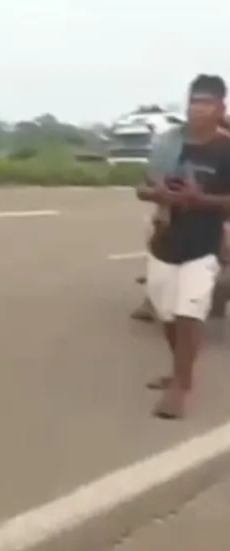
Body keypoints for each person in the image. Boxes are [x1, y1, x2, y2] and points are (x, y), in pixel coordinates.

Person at [136, 74, 230, 419]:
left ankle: (181, 386)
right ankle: (179, 369)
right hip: (164, 241)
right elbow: (142, 188)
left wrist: (199, 199)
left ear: (220, 107)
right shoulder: (169, 143)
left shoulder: (226, 150)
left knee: (189, 314)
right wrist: (157, 194)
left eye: (206, 103)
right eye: (194, 101)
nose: (197, 109)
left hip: (203, 245)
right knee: (167, 315)